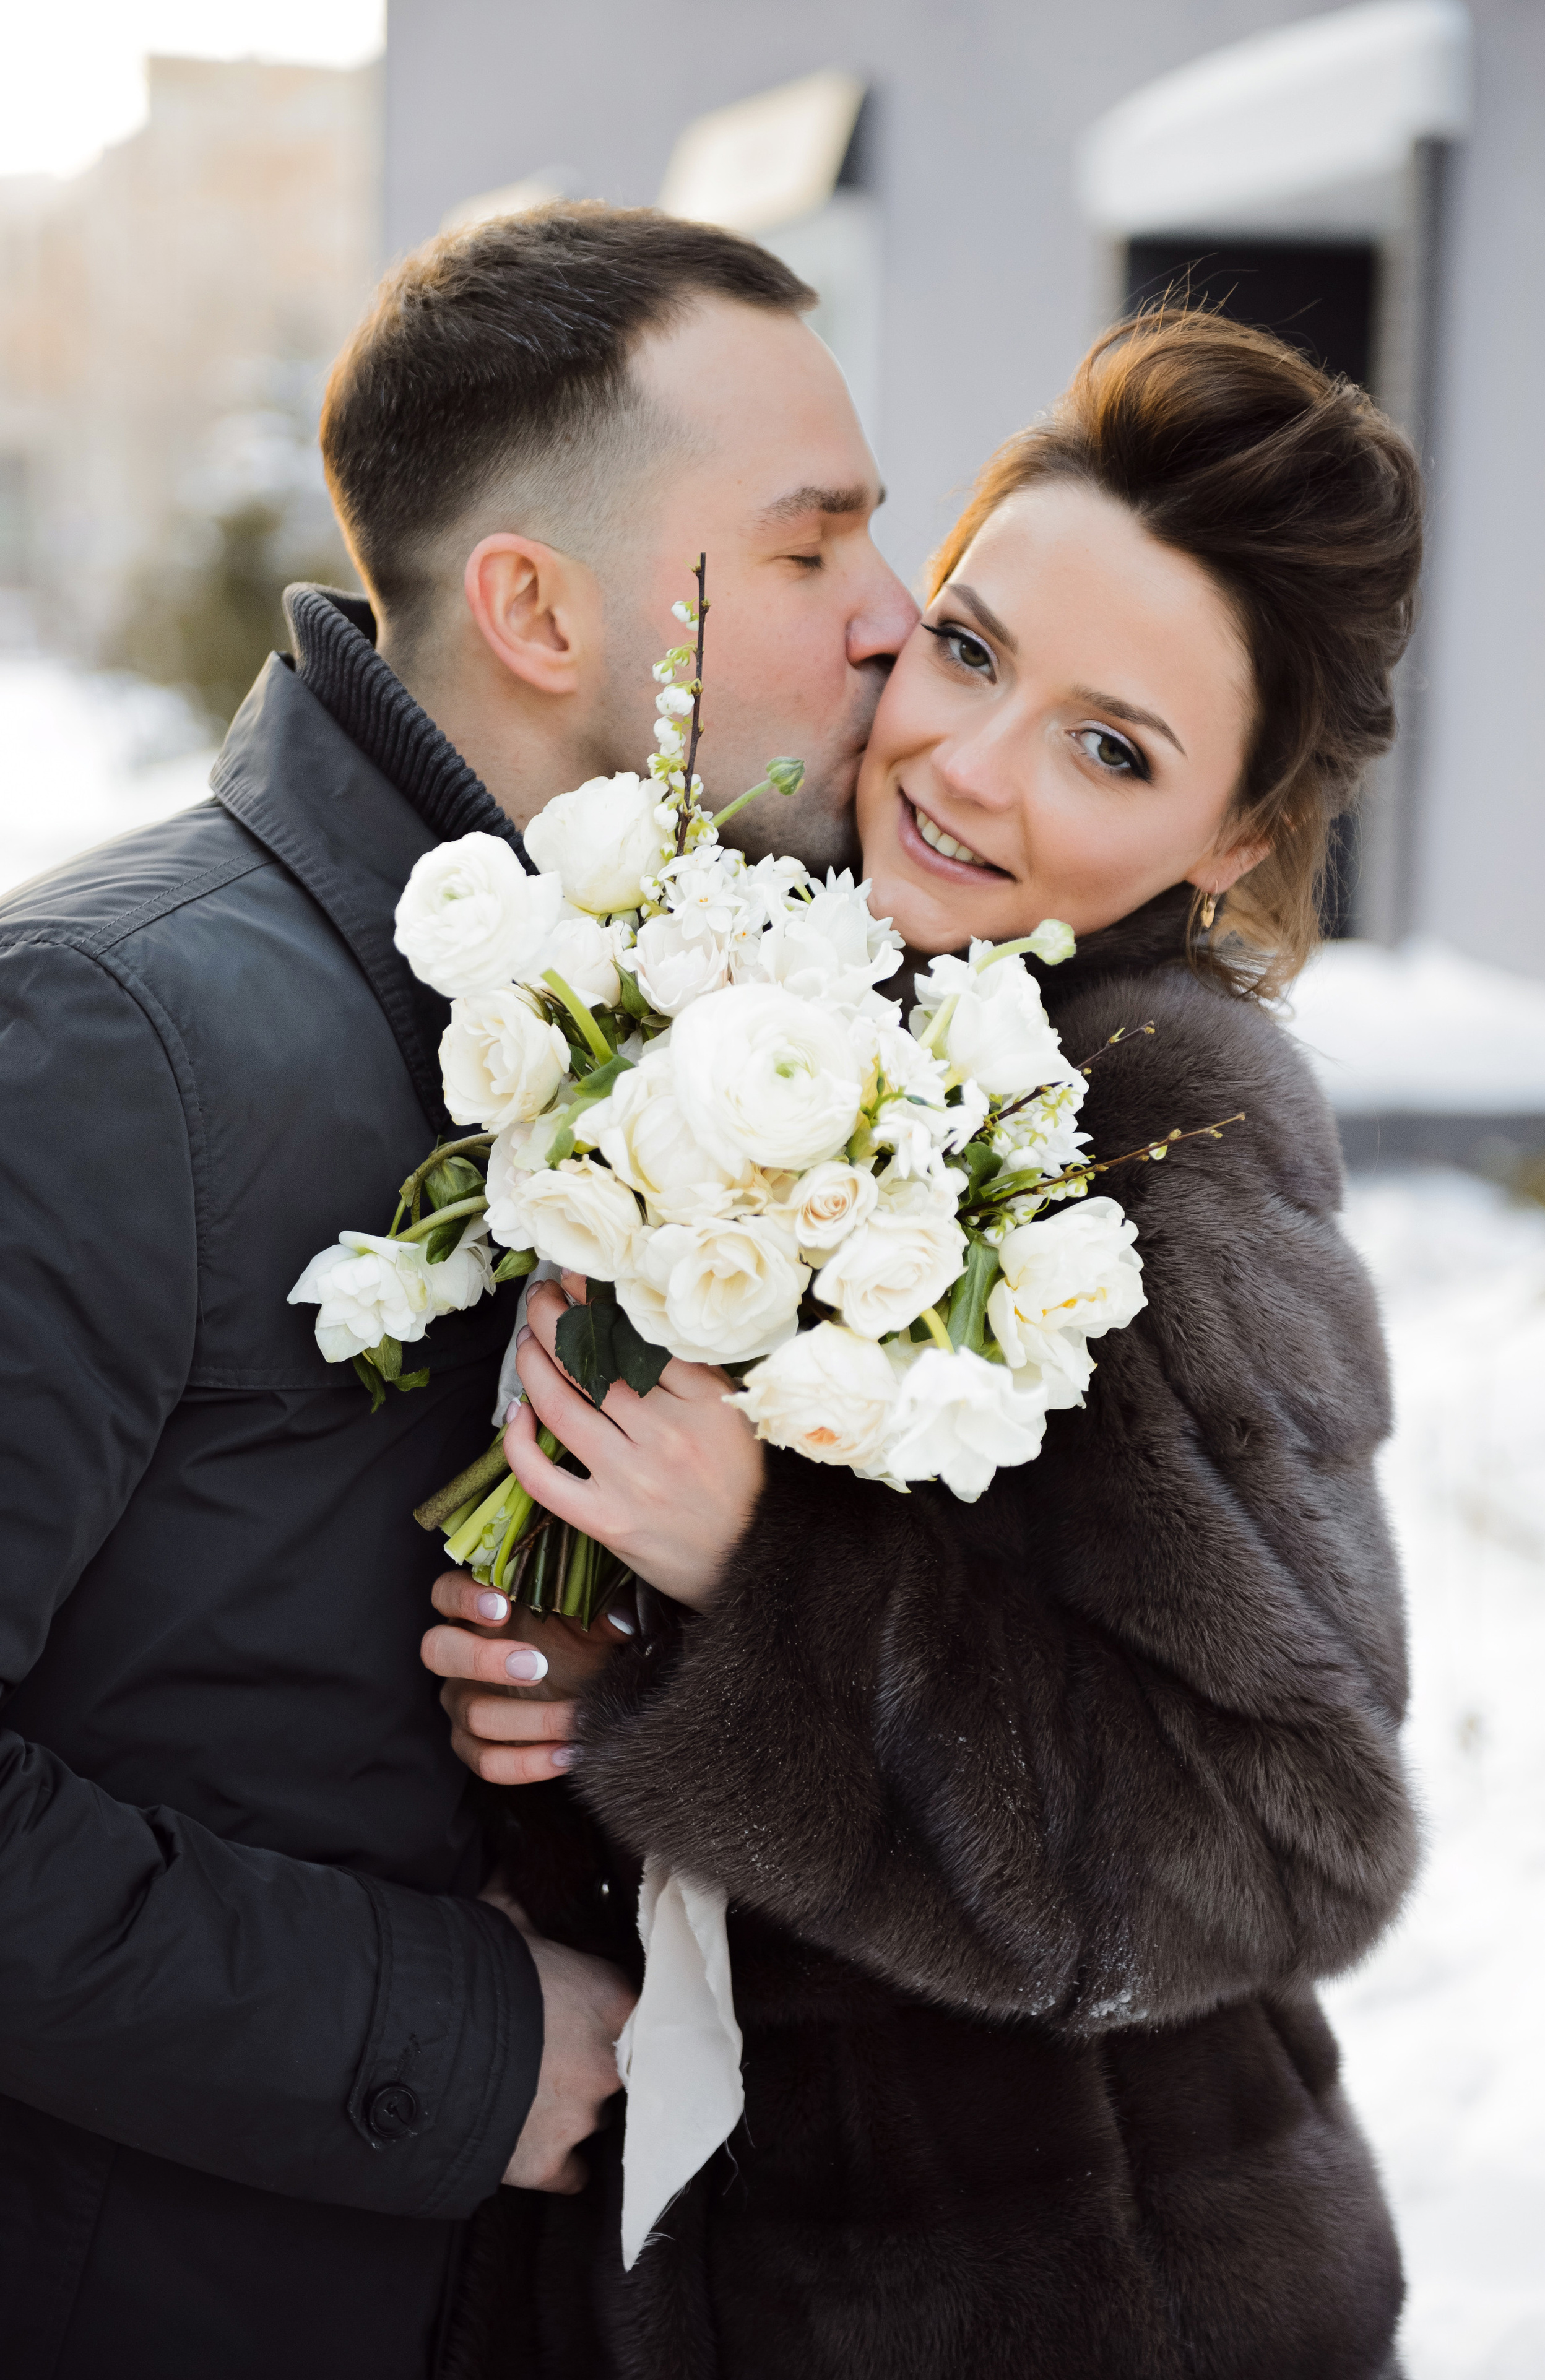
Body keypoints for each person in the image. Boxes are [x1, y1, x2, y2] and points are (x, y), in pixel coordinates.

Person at [426, 311, 1424, 2378]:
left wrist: (758, 1585)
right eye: (970, 652)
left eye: (1114, 748)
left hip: (1071, 2290)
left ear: (1235, 839)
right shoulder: (754, 974)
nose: (969, 767)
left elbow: (1289, 1838)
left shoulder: (1170, 1159)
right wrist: (578, 1673)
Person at [0, 205, 915, 2379]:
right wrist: (457, 2038)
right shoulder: (111, 1039)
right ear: (531, 603)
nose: (895, 618)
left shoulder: (703, 1037)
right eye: (810, 550)